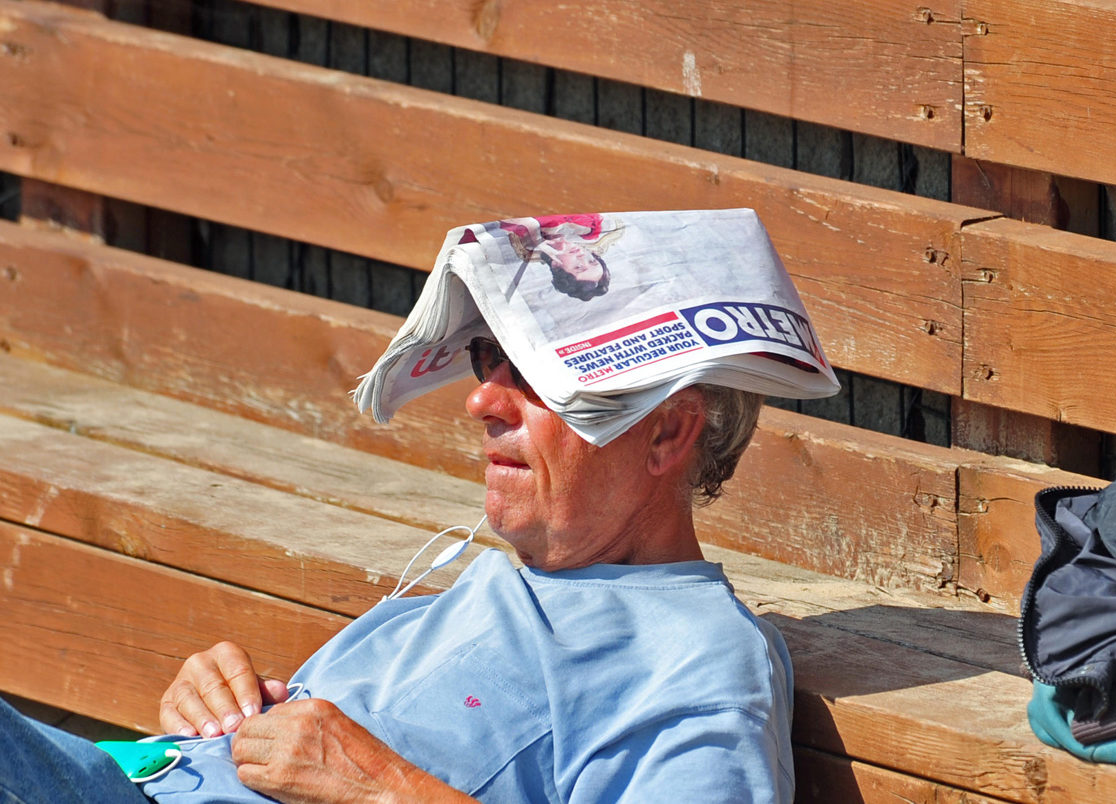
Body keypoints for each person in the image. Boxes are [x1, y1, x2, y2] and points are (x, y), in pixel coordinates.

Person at [0, 324, 793, 802]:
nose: (481, 400)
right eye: (489, 358)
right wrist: (217, 716)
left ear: (667, 434)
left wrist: (380, 789)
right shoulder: (499, 585)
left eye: (540, 376)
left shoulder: (696, 659)